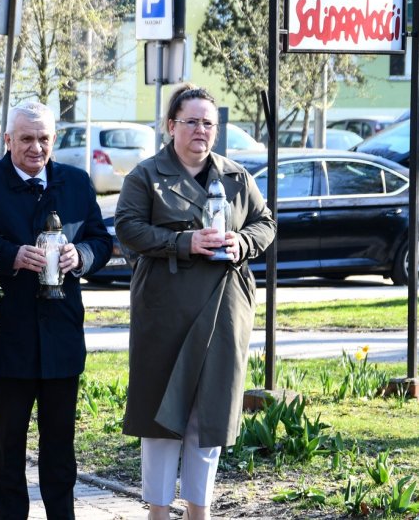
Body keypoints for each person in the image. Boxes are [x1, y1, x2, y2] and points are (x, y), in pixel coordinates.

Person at [114, 84, 276, 520]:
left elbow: (265, 223)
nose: (201, 130)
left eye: (209, 123)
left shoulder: (236, 177)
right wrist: (183, 242)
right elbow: (127, 227)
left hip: (223, 308)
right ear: (171, 126)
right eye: (192, 122)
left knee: (208, 417)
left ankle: (199, 511)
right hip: (164, 311)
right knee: (161, 416)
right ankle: (158, 510)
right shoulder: (145, 176)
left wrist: (242, 242)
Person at [0, 100, 112, 520]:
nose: (36, 148)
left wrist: (81, 255)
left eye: (44, 138)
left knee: (60, 446)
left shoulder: (76, 182)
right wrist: (11, 255)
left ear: (54, 139)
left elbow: (101, 240)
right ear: (8, 140)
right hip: (10, 335)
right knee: (8, 446)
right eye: (26, 138)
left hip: (62, 335)